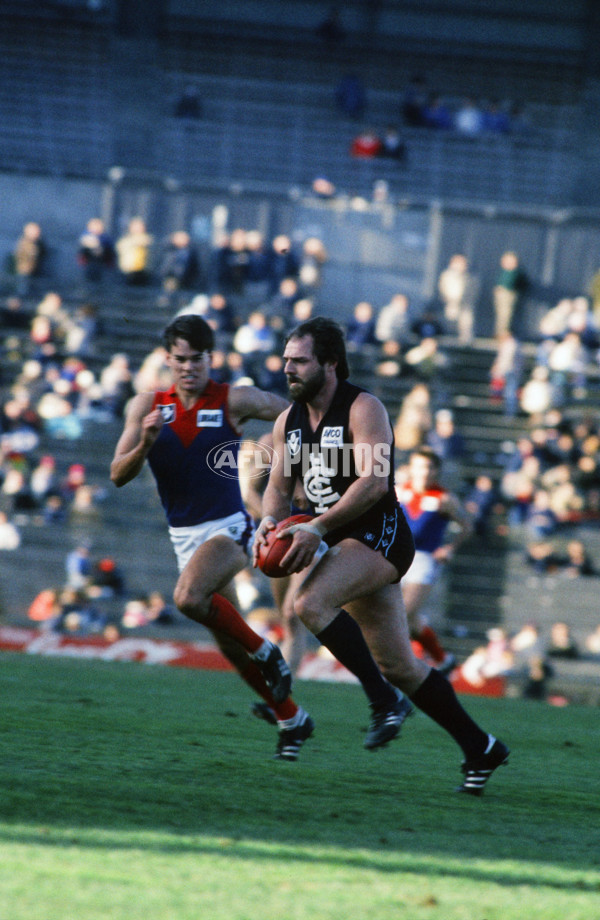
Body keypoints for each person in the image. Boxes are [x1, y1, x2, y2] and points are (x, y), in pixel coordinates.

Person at [253, 317, 509, 795]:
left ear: (329, 363)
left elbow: (373, 483)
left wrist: (316, 526)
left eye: (298, 360)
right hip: (339, 539)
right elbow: (277, 488)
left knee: (308, 604)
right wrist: (270, 522)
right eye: (286, 359)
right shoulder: (287, 420)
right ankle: (481, 747)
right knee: (400, 664)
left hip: (382, 534)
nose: (287, 368)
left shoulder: (363, 407)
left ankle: (383, 703)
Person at [109, 313, 313, 761]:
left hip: (230, 529)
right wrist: (143, 444)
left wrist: (293, 465)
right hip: (185, 539)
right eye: (180, 359)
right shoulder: (145, 407)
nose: (189, 368)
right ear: (168, 359)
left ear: (210, 358)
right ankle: (293, 718)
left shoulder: (232, 399)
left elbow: (295, 414)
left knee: (187, 598)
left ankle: (269, 651)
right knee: (232, 650)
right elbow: (117, 474)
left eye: (197, 359)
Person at [396, 447, 473, 673]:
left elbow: (466, 526)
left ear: (437, 471)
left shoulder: (444, 498)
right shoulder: (399, 492)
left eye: (430, 467)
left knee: (403, 614)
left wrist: (450, 547)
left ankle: (399, 666)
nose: (424, 472)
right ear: (411, 468)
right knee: (409, 621)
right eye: (420, 466)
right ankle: (443, 659)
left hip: (423, 560)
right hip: (396, 556)